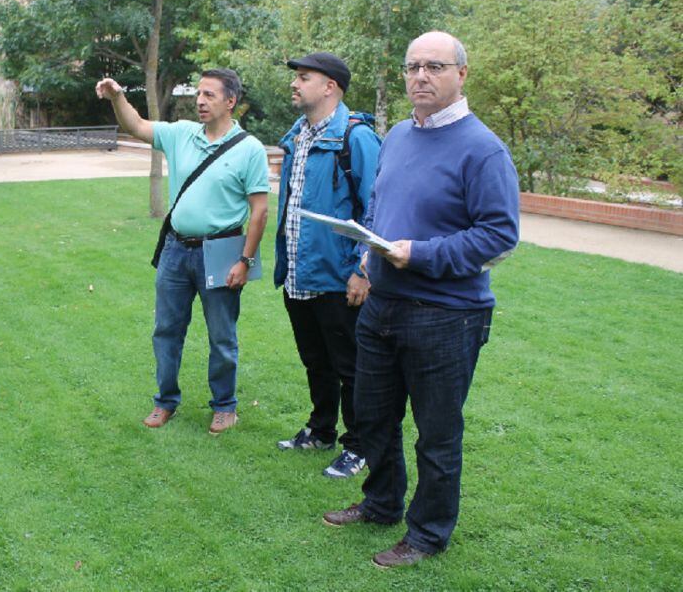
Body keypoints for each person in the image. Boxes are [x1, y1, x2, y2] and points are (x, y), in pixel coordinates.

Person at [322, 31, 520, 568]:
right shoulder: (399, 136)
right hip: (383, 303)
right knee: (373, 418)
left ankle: (428, 533)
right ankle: (381, 503)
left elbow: (500, 236)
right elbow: (383, 206)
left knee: (437, 433)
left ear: (462, 74)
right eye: (412, 67)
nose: (420, 77)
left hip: (446, 317)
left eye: (434, 66)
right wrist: (369, 255)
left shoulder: (484, 149)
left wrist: (423, 254)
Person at [95, 70, 270, 434]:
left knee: (222, 335)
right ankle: (165, 402)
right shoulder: (182, 134)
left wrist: (245, 260)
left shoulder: (249, 148)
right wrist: (116, 97)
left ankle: (225, 406)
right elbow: (137, 125)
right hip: (176, 249)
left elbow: (260, 210)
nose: (201, 101)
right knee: (166, 330)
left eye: (209, 95)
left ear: (231, 101)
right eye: (199, 94)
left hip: (222, 250)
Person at [273, 52, 380, 480]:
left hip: (340, 277)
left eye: (304, 78)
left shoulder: (357, 138)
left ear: (330, 87)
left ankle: (360, 446)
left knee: (350, 366)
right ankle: (321, 430)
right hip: (300, 273)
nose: (295, 85)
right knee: (315, 361)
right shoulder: (297, 135)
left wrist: (364, 268)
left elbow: (378, 207)